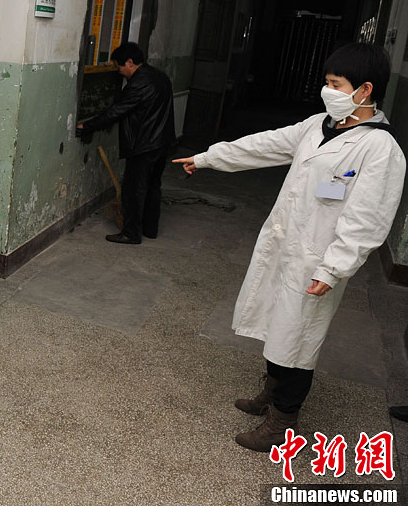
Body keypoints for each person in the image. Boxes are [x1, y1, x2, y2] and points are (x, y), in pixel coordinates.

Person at [173, 42, 406, 452]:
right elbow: (265, 145)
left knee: (298, 339)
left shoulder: (380, 149)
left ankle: (283, 421)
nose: (327, 90)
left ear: (365, 89)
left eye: (336, 84)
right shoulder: (319, 125)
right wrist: (209, 158)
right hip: (286, 245)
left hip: (317, 259)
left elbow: (367, 220)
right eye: (327, 82)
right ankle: (271, 392)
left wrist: (333, 269)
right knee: (277, 326)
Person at [75, 42, 176, 244]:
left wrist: (87, 126)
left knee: (134, 189)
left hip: (144, 144)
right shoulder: (160, 76)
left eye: (119, 66)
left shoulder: (139, 83)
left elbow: (117, 111)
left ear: (130, 62)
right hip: (161, 142)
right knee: (153, 186)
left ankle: (131, 233)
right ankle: (150, 229)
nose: (119, 71)